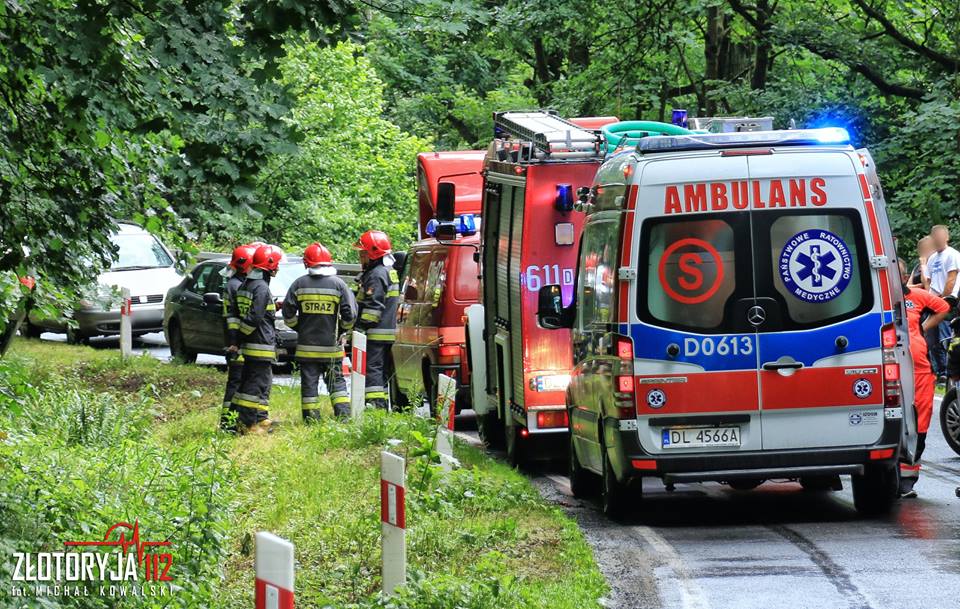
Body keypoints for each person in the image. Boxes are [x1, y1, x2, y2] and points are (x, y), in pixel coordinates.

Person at [282, 243, 357, 421]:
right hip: (332, 349)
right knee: (337, 383)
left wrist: (301, 328)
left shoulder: (298, 284)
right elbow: (350, 315)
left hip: (306, 349)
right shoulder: (339, 285)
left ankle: (311, 419)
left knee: (309, 385)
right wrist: (342, 332)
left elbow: (287, 315)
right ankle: (344, 417)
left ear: (307, 263)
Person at [900, 258, 950, 498]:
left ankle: (908, 478)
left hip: (920, 370)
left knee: (920, 422)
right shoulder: (879, 300)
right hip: (892, 369)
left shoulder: (916, 298)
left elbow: (943, 307)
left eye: (899, 273)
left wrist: (924, 327)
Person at [231, 244, 284, 434]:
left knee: (257, 383)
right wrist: (243, 336)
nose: (277, 268)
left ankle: (259, 419)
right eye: (276, 265)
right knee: (254, 387)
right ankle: (247, 425)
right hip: (259, 345)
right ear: (269, 265)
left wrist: (239, 340)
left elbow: (254, 313)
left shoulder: (247, 284)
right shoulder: (261, 287)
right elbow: (254, 318)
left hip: (251, 345)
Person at [353, 230, 400, 410]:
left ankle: (376, 407)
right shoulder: (387, 271)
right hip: (387, 331)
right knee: (382, 371)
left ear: (371, 253)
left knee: (373, 369)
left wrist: (359, 329)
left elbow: (373, 308)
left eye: (362, 253)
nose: (360, 257)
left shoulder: (377, 274)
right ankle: (382, 405)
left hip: (376, 333)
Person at [219, 243, 258, 432]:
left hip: (235, 340)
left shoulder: (233, 284)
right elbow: (235, 319)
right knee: (237, 381)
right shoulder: (237, 286)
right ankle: (228, 422)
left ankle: (229, 421)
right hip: (238, 342)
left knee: (238, 381)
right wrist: (236, 342)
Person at [926, 225, 959, 378]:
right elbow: (929, 281)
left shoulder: (952, 254)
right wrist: (928, 299)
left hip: (947, 302)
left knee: (945, 338)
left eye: (940, 235)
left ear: (947, 237)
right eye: (934, 236)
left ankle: (948, 371)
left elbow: (951, 279)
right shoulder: (932, 258)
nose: (937, 238)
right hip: (932, 301)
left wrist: (941, 300)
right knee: (931, 340)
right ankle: (940, 372)